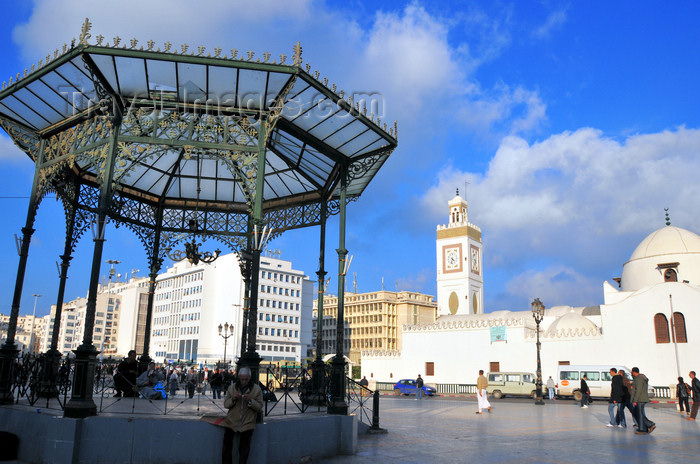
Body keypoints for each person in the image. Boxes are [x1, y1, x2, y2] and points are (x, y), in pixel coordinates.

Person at [222, 367, 263, 464]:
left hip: (247, 423)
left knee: (244, 449)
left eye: (246, 379)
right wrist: (233, 399)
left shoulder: (257, 390)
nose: (244, 381)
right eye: (242, 379)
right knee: (226, 447)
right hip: (231, 422)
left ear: (250, 378)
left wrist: (250, 401)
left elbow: (259, 407)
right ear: (239, 377)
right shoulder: (232, 388)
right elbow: (226, 404)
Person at [631, 367, 655, 434]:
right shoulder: (642, 378)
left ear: (634, 372)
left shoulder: (638, 379)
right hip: (642, 398)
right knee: (639, 413)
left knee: (639, 414)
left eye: (631, 372)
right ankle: (644, 428)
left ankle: (648, 426)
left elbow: (638, 390)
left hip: (640, 399)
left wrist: (635, 400)